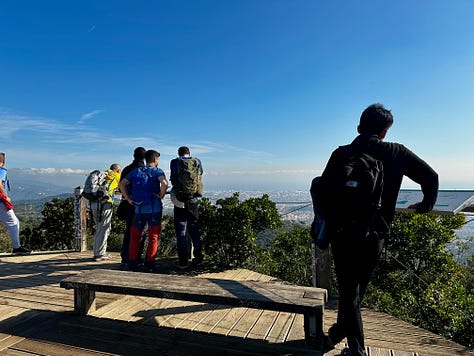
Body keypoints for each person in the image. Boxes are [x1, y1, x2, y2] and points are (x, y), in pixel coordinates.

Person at [321, 104, 438, 356]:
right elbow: (431, 177)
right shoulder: (397, 152)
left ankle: (345, 340)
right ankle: (346, 343)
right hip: (375, 234)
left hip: (342, 233)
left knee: (350, 291)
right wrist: (426, 205)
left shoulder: (340, 154)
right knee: (354, 291)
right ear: (385, 132)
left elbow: (324, 191)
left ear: (359, 127)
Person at [119, 149, 168, 272]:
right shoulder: (158, 171)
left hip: (138, 210)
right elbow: (164, 183)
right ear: (156, 160)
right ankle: (149, 263)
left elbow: (122, 184)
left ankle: (132, 262)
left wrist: (128, 199)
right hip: (154, 209)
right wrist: (161, 195)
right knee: (153, 236)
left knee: (135, 236)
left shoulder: (136, 171)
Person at [170, 146, 204, 269]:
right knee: (194, 228)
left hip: (179, 200)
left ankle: (183, 261)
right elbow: (200, 175)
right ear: (189, 153)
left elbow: (173, 178)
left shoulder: (174, 162)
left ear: (178, 154)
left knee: (181, 230)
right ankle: (198, 258)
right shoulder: (197, 161)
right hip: (193, 199)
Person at [119, 147, 146, 268]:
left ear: (133, 155)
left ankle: (125, 257)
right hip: (140, 205)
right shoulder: (144, 170)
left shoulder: (126, 169)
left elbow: (121, 187)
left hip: (127, 204)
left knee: (128, 231)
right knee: (140, 232)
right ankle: (135, 258)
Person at [0, 152, 31, 255]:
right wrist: (5, 196)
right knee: (14, 222)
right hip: (1, 201)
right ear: (3, 162)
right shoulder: (1, 171)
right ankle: (16, 248)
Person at [91, 163, 121, 261]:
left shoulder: (104, 175)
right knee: (104, 228)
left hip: (94, 202)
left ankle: (97, 252)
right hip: (105, 203)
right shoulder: (116, 175)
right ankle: (100, 254)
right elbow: (123, 186)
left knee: (99, 228)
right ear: (117, 170)